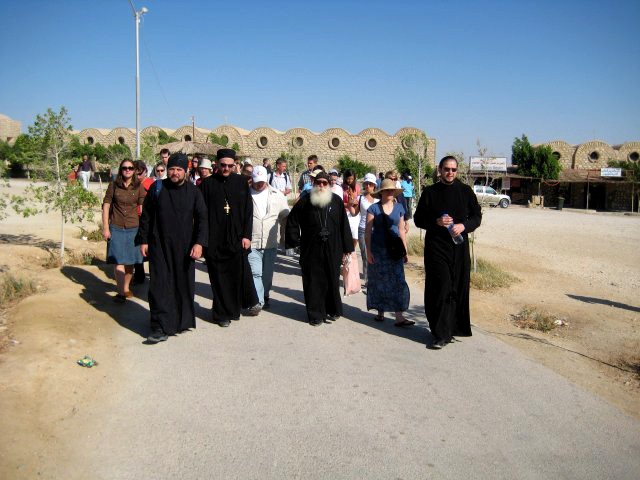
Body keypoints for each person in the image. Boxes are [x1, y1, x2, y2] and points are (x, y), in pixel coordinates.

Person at [137, 153, 208, 343]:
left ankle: (178, 321)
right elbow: (146, 216)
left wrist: (199, 243)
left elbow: (202, 219)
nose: (175, 173)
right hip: (159, 245)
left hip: (184, 248)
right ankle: (159, 326)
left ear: (186, 171)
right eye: (172, 169)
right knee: (159, 285)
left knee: (181, 285)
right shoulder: (157, 188)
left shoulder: (194, 192)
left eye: (179, 170)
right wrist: (144, 240)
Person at [413, 155, 482, 349]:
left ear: (457, 171)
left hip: (459, 247)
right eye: (446, 169)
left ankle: (451, 328)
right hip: (436, 247)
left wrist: (464, 226)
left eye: (453, 169)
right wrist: (436, 222)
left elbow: (476, 217)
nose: (450, 173)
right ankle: (440, 333)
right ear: (440, 170)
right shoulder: (430, 192)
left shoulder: (465, 191)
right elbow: (418, 219)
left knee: (456, 287)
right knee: (441, 286)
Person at [200, 148, 259, 327]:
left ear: (234, 165)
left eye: (229, 166)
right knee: (218, 278)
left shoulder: (241, 182)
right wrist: (202, 240)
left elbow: (248, 211)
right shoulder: (207, 184)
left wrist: (247, 235)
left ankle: (233, 311)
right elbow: (201, 214)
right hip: (214, 240)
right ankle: (220, 315)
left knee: (234, 277)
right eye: (223, 165)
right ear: (216, 164)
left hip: (236, 238)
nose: (226, 168)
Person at [285, 172, 354, 326]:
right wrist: (294, 242)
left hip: (333, 248)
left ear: (329, 184)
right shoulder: (305, 201)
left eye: (324, 183)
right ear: (314, 183)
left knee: (332, 279)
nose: (321, 185)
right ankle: (315, 314)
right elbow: (292, 220)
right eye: (318, 182)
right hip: (311, 248)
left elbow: (344, 225)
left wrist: (347, 247)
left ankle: (332, 309)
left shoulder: (336, 201)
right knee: (313, 281)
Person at [365, 179, 412, 326]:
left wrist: (405, 250)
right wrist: (368, 252)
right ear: (381, 192)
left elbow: (401, 230)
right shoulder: (373, 208)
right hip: (378, 250)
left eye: (392, 190)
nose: (390, 192)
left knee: (398, 280)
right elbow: (368, 232)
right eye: (387, 190)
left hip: (395, 250)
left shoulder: (399, 208)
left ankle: (399, 316)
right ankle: (380, 311)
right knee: (379, 280)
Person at [102, 159, 147, 303]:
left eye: (130, 168)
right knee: (118, 260)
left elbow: (144, 208)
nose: (127, 170)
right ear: (121, 169)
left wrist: (145, 230)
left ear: (134, 170)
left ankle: (126, 287)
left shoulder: (139, 187)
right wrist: (106, 227)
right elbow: (106, 205)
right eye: (124, 168)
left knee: (130, 262)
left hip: (134, 228)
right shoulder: (113, 185)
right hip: (116, 227)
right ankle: (121, 292)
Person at [248, 166, 290, 309]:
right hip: (252, 242)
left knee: (267, 275)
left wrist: (285, 238)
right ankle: (257, 302)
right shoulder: (245, 194)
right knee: (255, 273)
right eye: (256, 181)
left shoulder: (277, 195)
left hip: (270, 242)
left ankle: (264, 294)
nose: (259, 184)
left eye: (262, 181)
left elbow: (285, 218)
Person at [348, 173, 378, 286]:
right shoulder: (360, 198)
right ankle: (367, 279)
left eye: (370, 184)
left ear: (374, 185)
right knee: (365, 255)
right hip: (363, 230)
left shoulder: (379, 199)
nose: (368, 186)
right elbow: (354, 213)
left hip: (376, 231)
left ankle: (375, 277)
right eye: (366, 184)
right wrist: (350, 204)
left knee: (376, 254)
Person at [133, 160, 154, 284]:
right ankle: (139, 275)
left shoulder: (152, 184)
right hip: (135, 220)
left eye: (140, 173)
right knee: (137, 248)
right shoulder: (132, 185)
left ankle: (155, 276)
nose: (138, 176)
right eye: (136, 174)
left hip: (149, 220)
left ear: (145, 171)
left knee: (151, 249)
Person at [342, 169, 361, 249]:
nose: (350, 181)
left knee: (355, 235)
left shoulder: (357, 187)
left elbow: (359, 199)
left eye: (352, 179)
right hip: (345, 212)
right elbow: (340, 202)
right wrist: (348, 205)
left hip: (355, 213)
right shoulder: (342, 187)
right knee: (345, 233)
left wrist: (355, 202)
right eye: (348, 178)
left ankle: (352, 250)